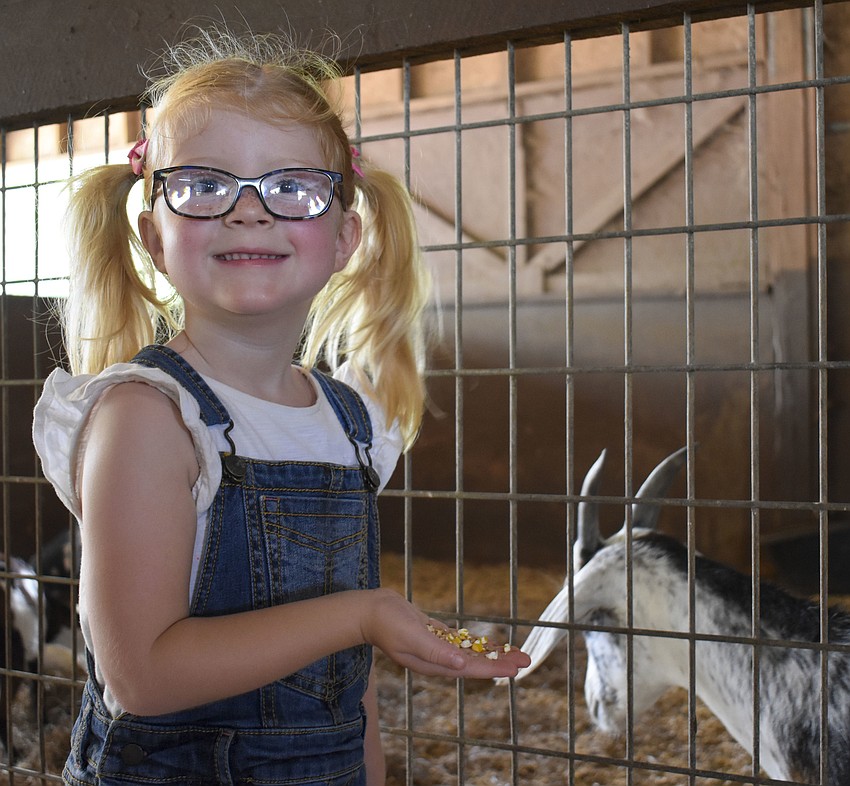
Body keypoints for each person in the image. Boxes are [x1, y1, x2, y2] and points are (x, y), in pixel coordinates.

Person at [32, 27, 530, 786]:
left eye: (291, 188)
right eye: (204, 185)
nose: (248, 213)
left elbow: (345, 687)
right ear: (154, 236)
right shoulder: (149, 416)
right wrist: (362, 616)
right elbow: (142, 676)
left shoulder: (352, 424)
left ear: (343, 236)